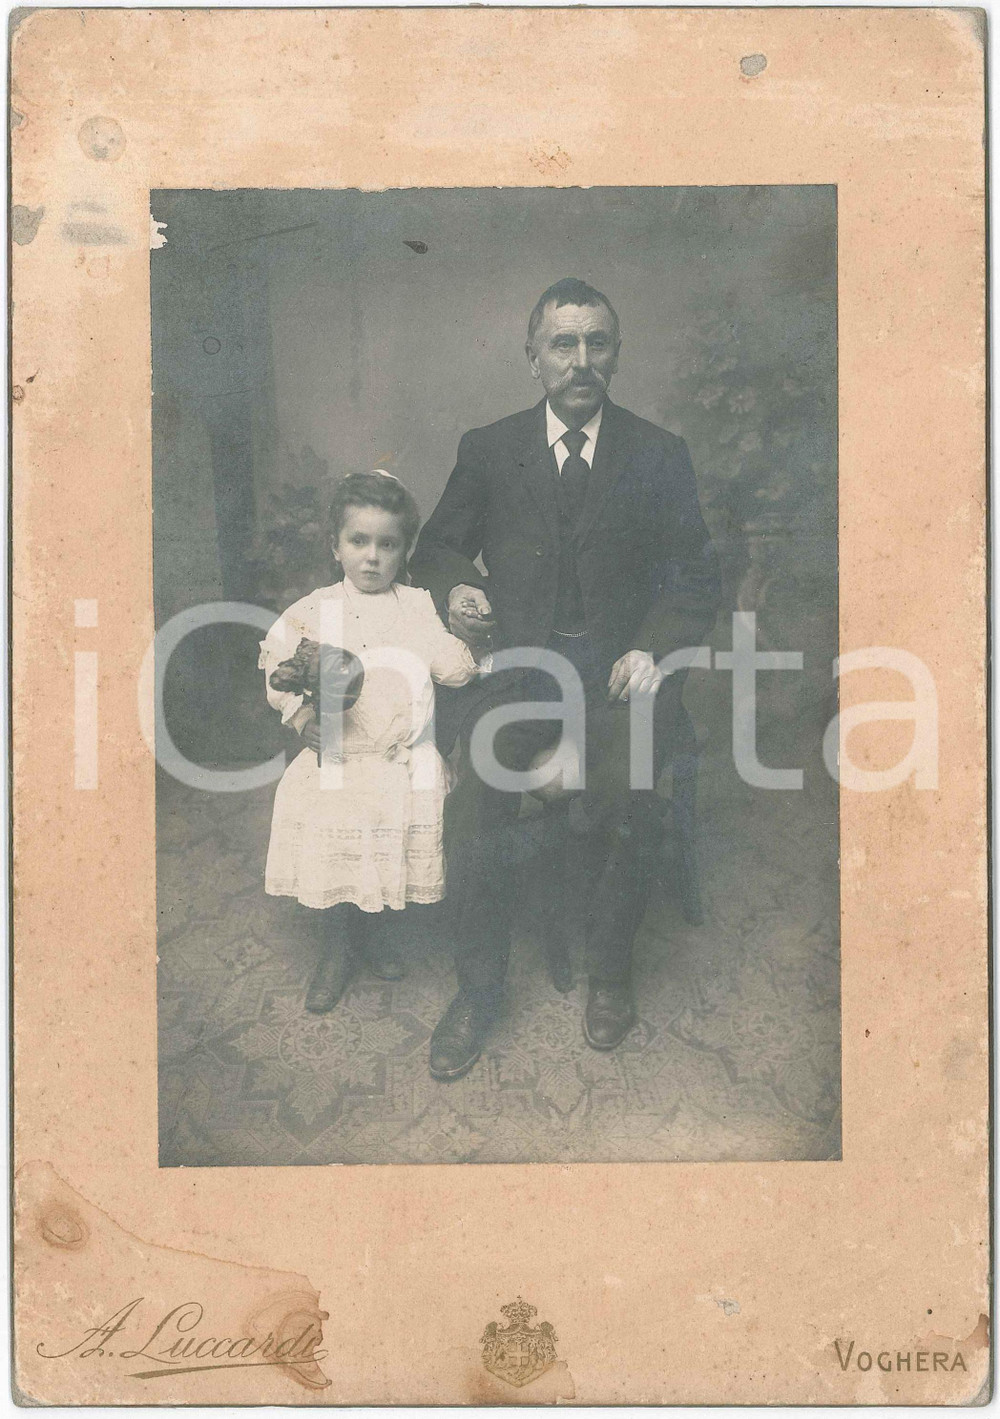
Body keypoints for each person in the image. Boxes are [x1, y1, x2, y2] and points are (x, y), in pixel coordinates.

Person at [409, 277, 720, 1080]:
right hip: (518, 667)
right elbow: (436, 549)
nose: (581, 361)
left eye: (597, 344)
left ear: (615, 353)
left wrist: (653, 646)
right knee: (473, 792)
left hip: (619, 673)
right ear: (533, 357)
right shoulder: (490, 447)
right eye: (563, 344)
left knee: (632, 790)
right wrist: (457, 589)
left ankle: (611, 970)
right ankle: (478, 993)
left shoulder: (658, 454)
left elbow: (694, 582)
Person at [259, 470, 485, 1013]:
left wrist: (465, 638)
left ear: (405, 550)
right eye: (358, 542)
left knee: (386, 846)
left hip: (398, 760)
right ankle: (340, 946)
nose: (372, 557)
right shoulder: (315, 608)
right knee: (340, 841)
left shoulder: (417, 606)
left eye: (388, 545)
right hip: (339, 758)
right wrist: (299, 714)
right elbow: (277, 667)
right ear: (335, 546)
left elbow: (452, 670)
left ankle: (381, 931)